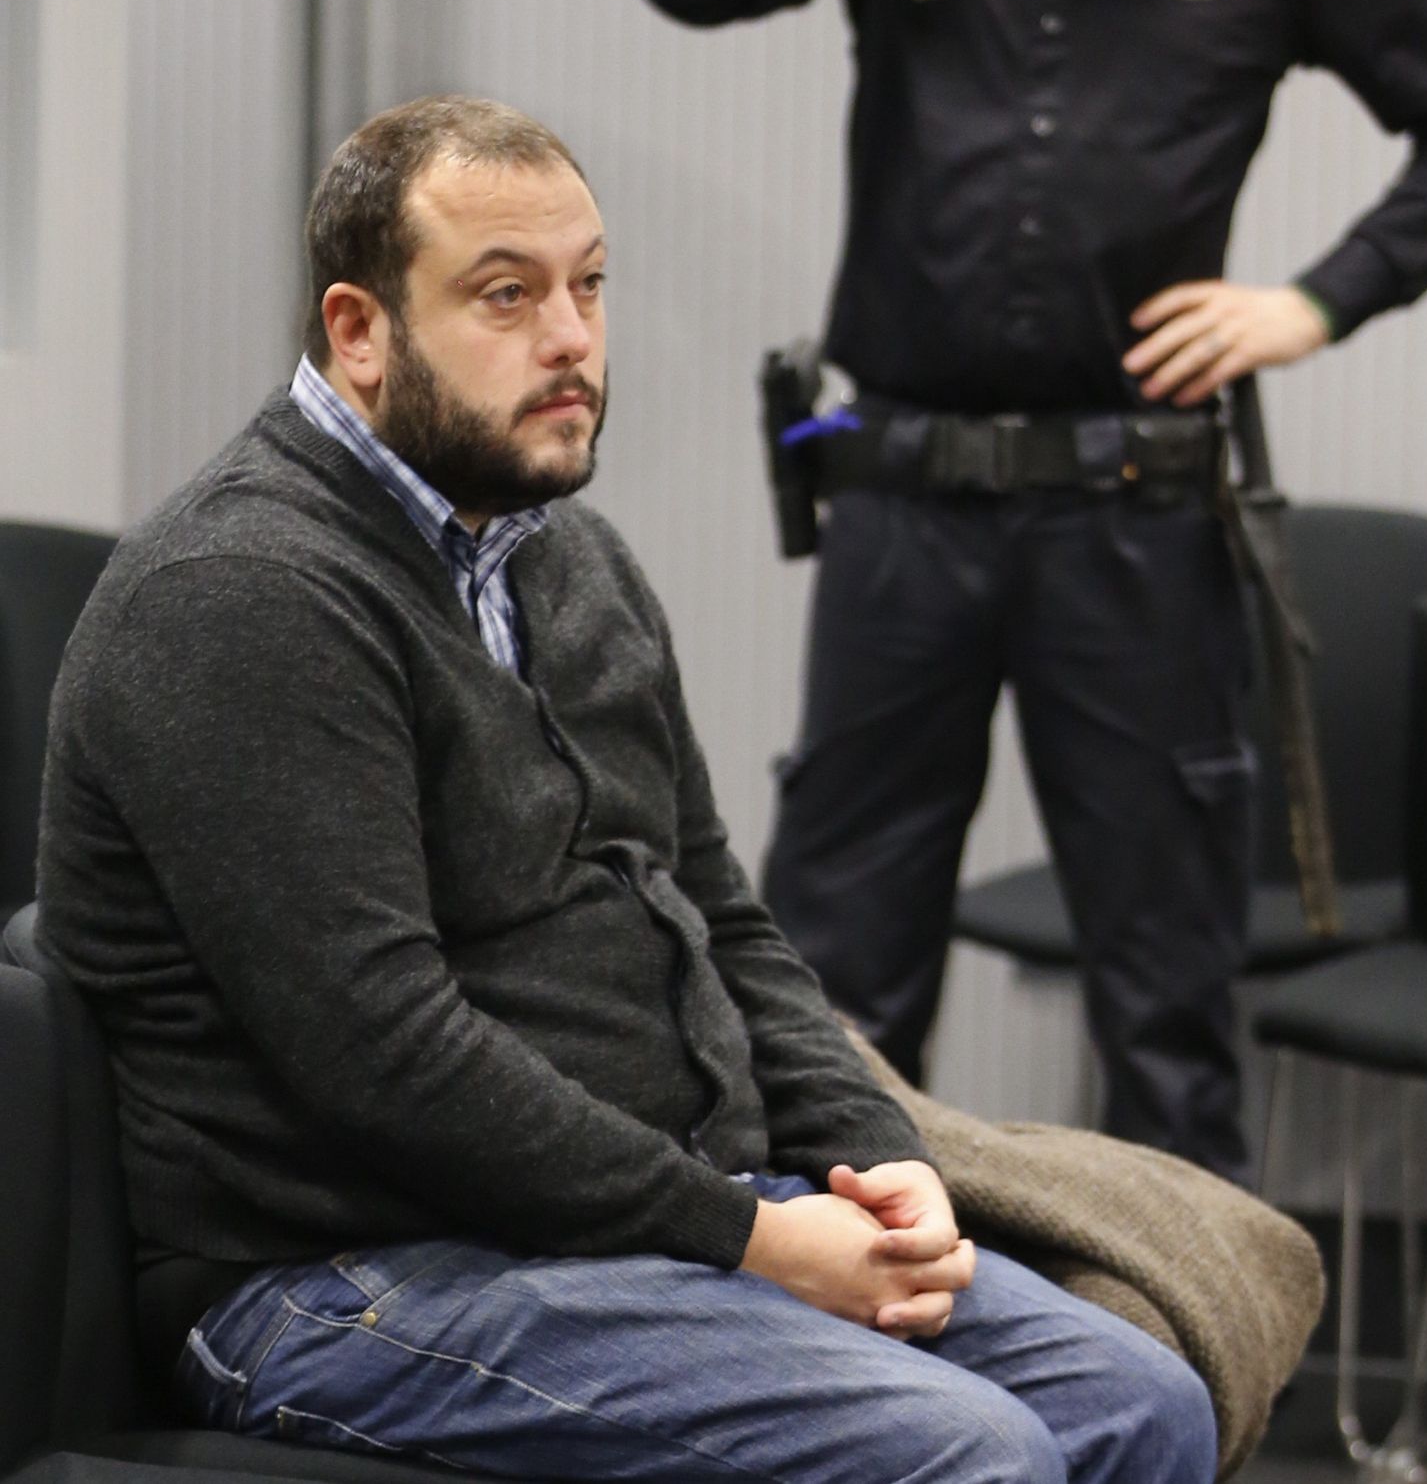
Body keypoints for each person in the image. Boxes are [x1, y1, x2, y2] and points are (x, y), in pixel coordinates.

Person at [37, 96, 1215, 1484]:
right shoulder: (241, 596)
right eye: (506, 296)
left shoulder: (566, 556)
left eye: (590, 286)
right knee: (966, 1454)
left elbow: (717, 910)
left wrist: (885, 1160)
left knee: (1143, 1406)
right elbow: (387, 1057)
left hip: (637, 1216)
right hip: (344, 1278)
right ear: (358, 334)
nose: (572, 340)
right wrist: (754, 1241)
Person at [634, 0, 1427, 1181]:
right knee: (832, 987)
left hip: (1135, 523)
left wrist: (1312, 302)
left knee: (1166, 1005)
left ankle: (1176, 1415)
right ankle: (845, 1400)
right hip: (899, 513)